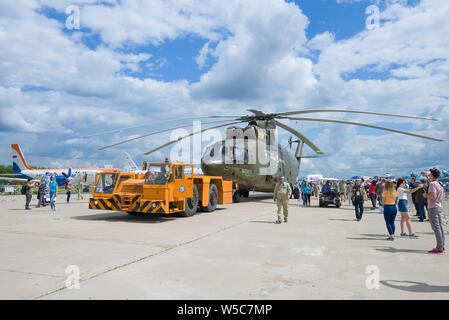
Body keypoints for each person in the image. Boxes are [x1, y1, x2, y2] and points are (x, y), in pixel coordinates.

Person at [423, 168, 445, 253]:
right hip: (439, 206)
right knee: (440, 227)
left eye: (430, 174)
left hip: (433, 207)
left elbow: (433, 196)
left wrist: (425, 195)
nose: (429, 175)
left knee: (436, 228)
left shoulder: (433, 184)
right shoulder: (439, 183)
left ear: (432, 175)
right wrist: (428, 177)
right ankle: (441, 246)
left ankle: (439, 247)